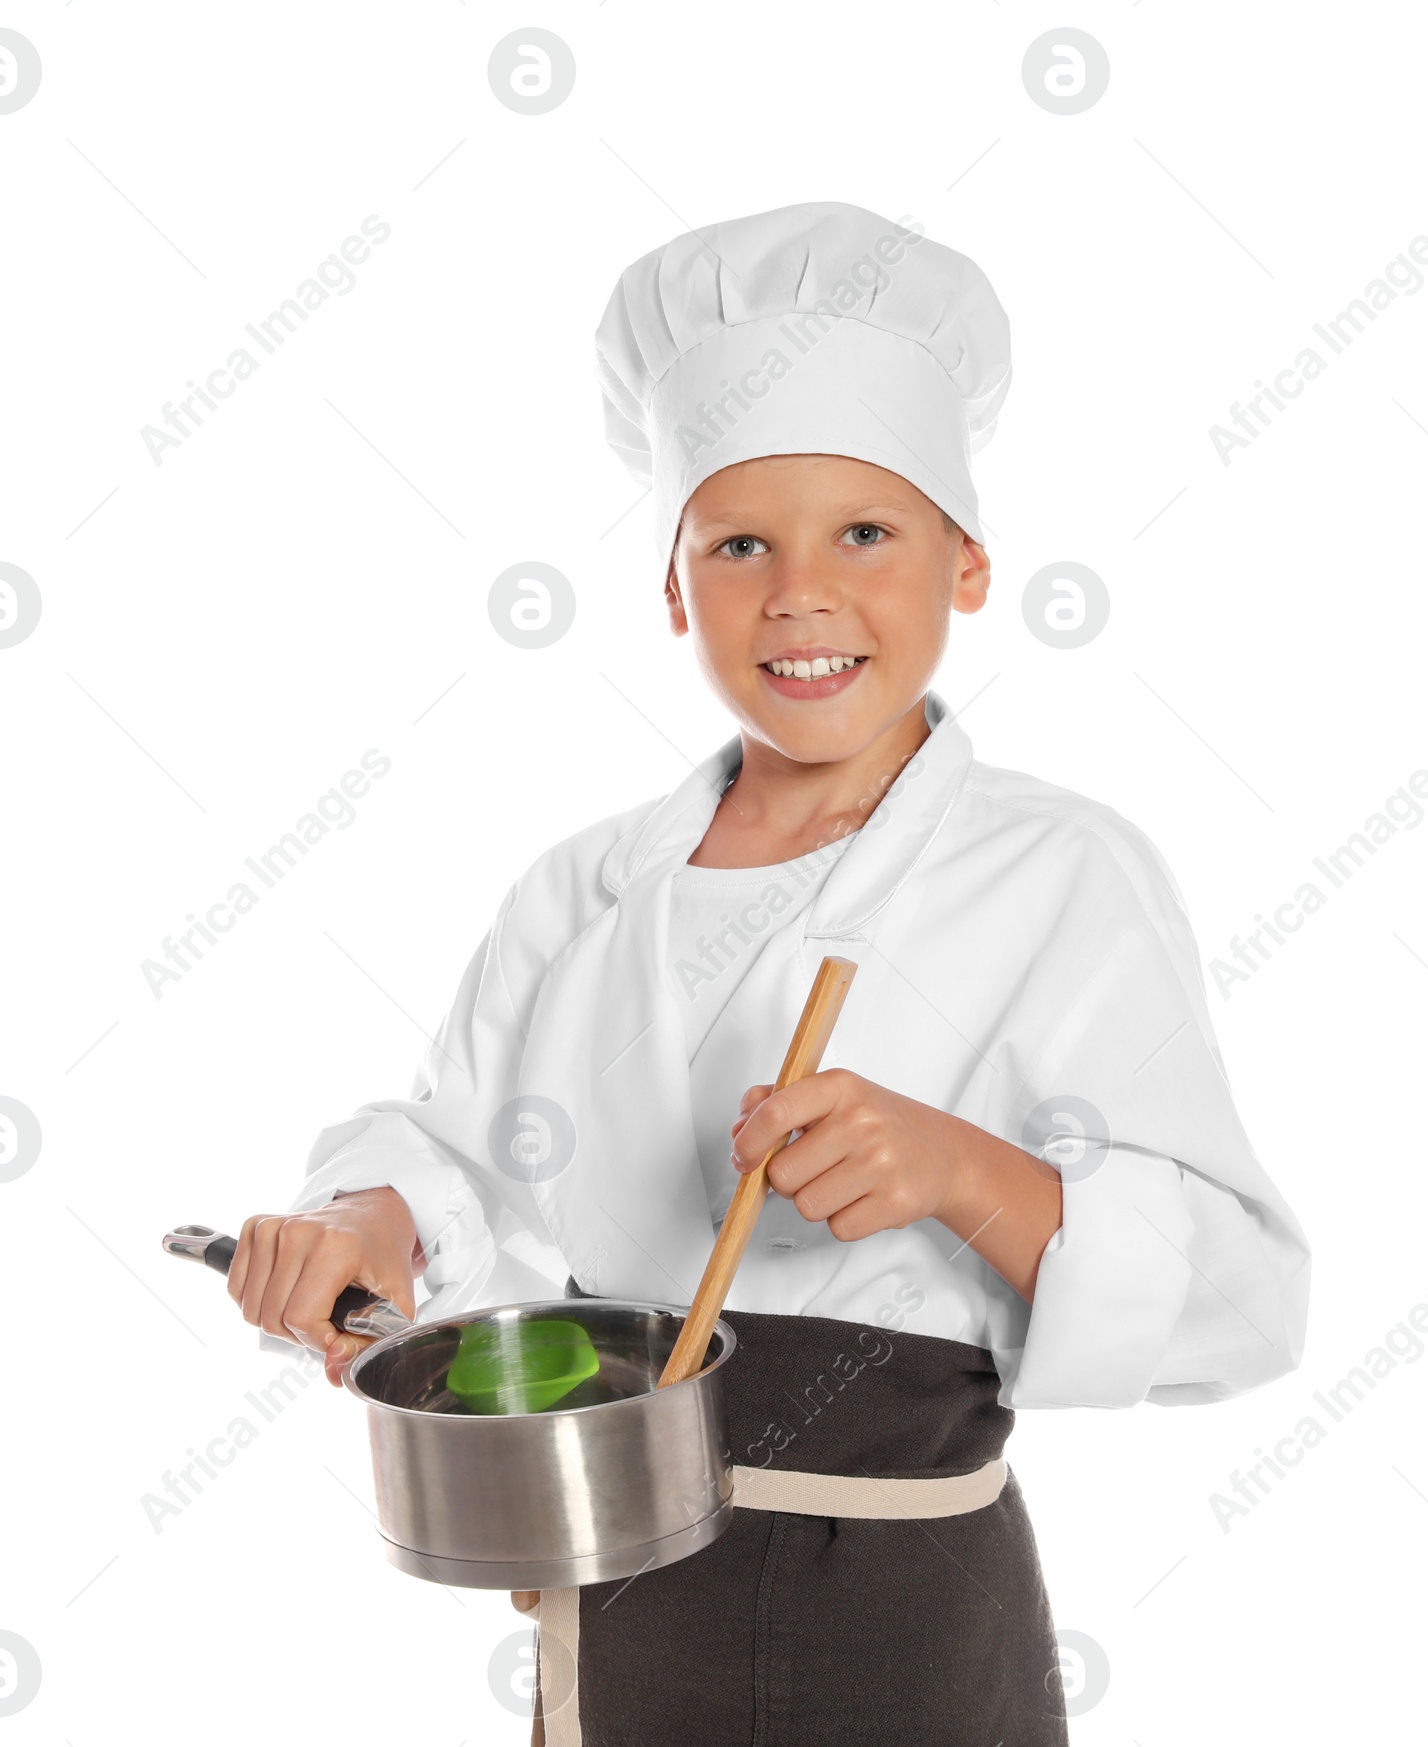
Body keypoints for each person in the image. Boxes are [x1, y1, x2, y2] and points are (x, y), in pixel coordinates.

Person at [227, 201, 1311, 1746]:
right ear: (675, 589)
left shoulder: (1062, 875)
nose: (800, 593)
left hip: (907, 1619)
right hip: (619, 1592)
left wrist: (959, 1171)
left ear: (971, 564)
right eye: (739, 544)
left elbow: (1244, 1300)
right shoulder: (584, 893)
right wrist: (364, 1219)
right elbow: (456, 1155)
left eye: (865, 532)